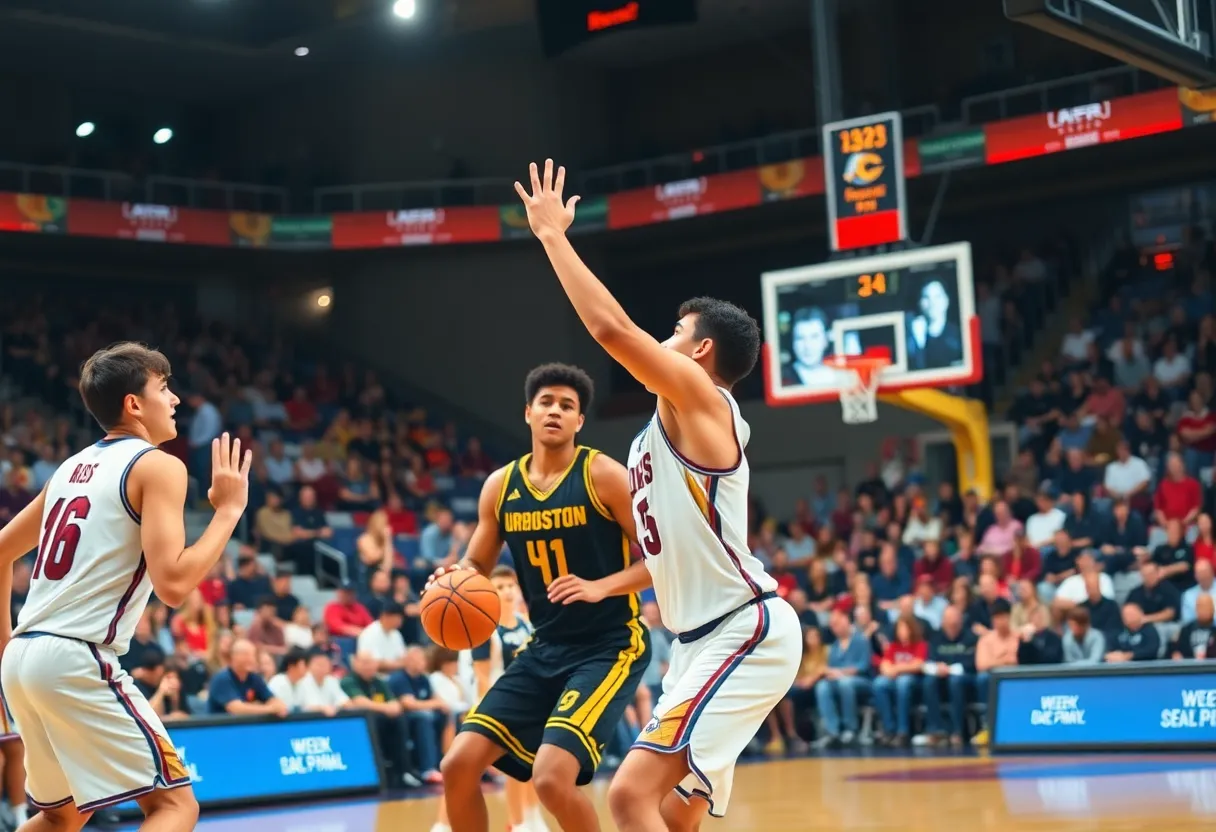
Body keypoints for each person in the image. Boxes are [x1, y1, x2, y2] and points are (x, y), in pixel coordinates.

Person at [514, 160, 801, 829]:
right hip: (697, 643)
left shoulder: (705, 400)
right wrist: (604, 585)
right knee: (673, 815)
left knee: (627, 796)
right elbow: (665, 551)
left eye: (675, 333)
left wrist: (553, 235)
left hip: (742, 629)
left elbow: (612, 332)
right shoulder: (660, 431)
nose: (663, 341)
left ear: (701, 352)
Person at [0, 342, 252, 831]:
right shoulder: (159, 465)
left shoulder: (68, 469)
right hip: (76, 656)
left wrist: (6, 645)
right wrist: (228, 511)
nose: (175, 399)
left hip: (24, 659)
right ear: (134, 404)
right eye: (164, 387)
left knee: (60, 817)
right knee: (175, 807)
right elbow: (174, 585)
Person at [432, 363, 650, 832]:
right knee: (458, 765)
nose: (555, 411)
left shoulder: (602, 475)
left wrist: (601, 586)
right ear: (528, 412)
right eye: (546, 402)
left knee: (551, 778)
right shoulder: (501, 486)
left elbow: (667, 557)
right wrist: (453, 579)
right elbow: (476, 564)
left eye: (567, 406)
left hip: (610, 645)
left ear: (580, 421)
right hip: (545, 647)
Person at [433, 566, 548, 832]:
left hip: (525, 705)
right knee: (465, 772)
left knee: (531, 765)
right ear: (489, 593)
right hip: (491, 708)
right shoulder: (484, 629)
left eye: (510, 586)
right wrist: (499, 712)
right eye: (500, 587)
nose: (507, 592)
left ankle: (531, 821)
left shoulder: (526, 624)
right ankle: (443, 825)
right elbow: (482, 677)